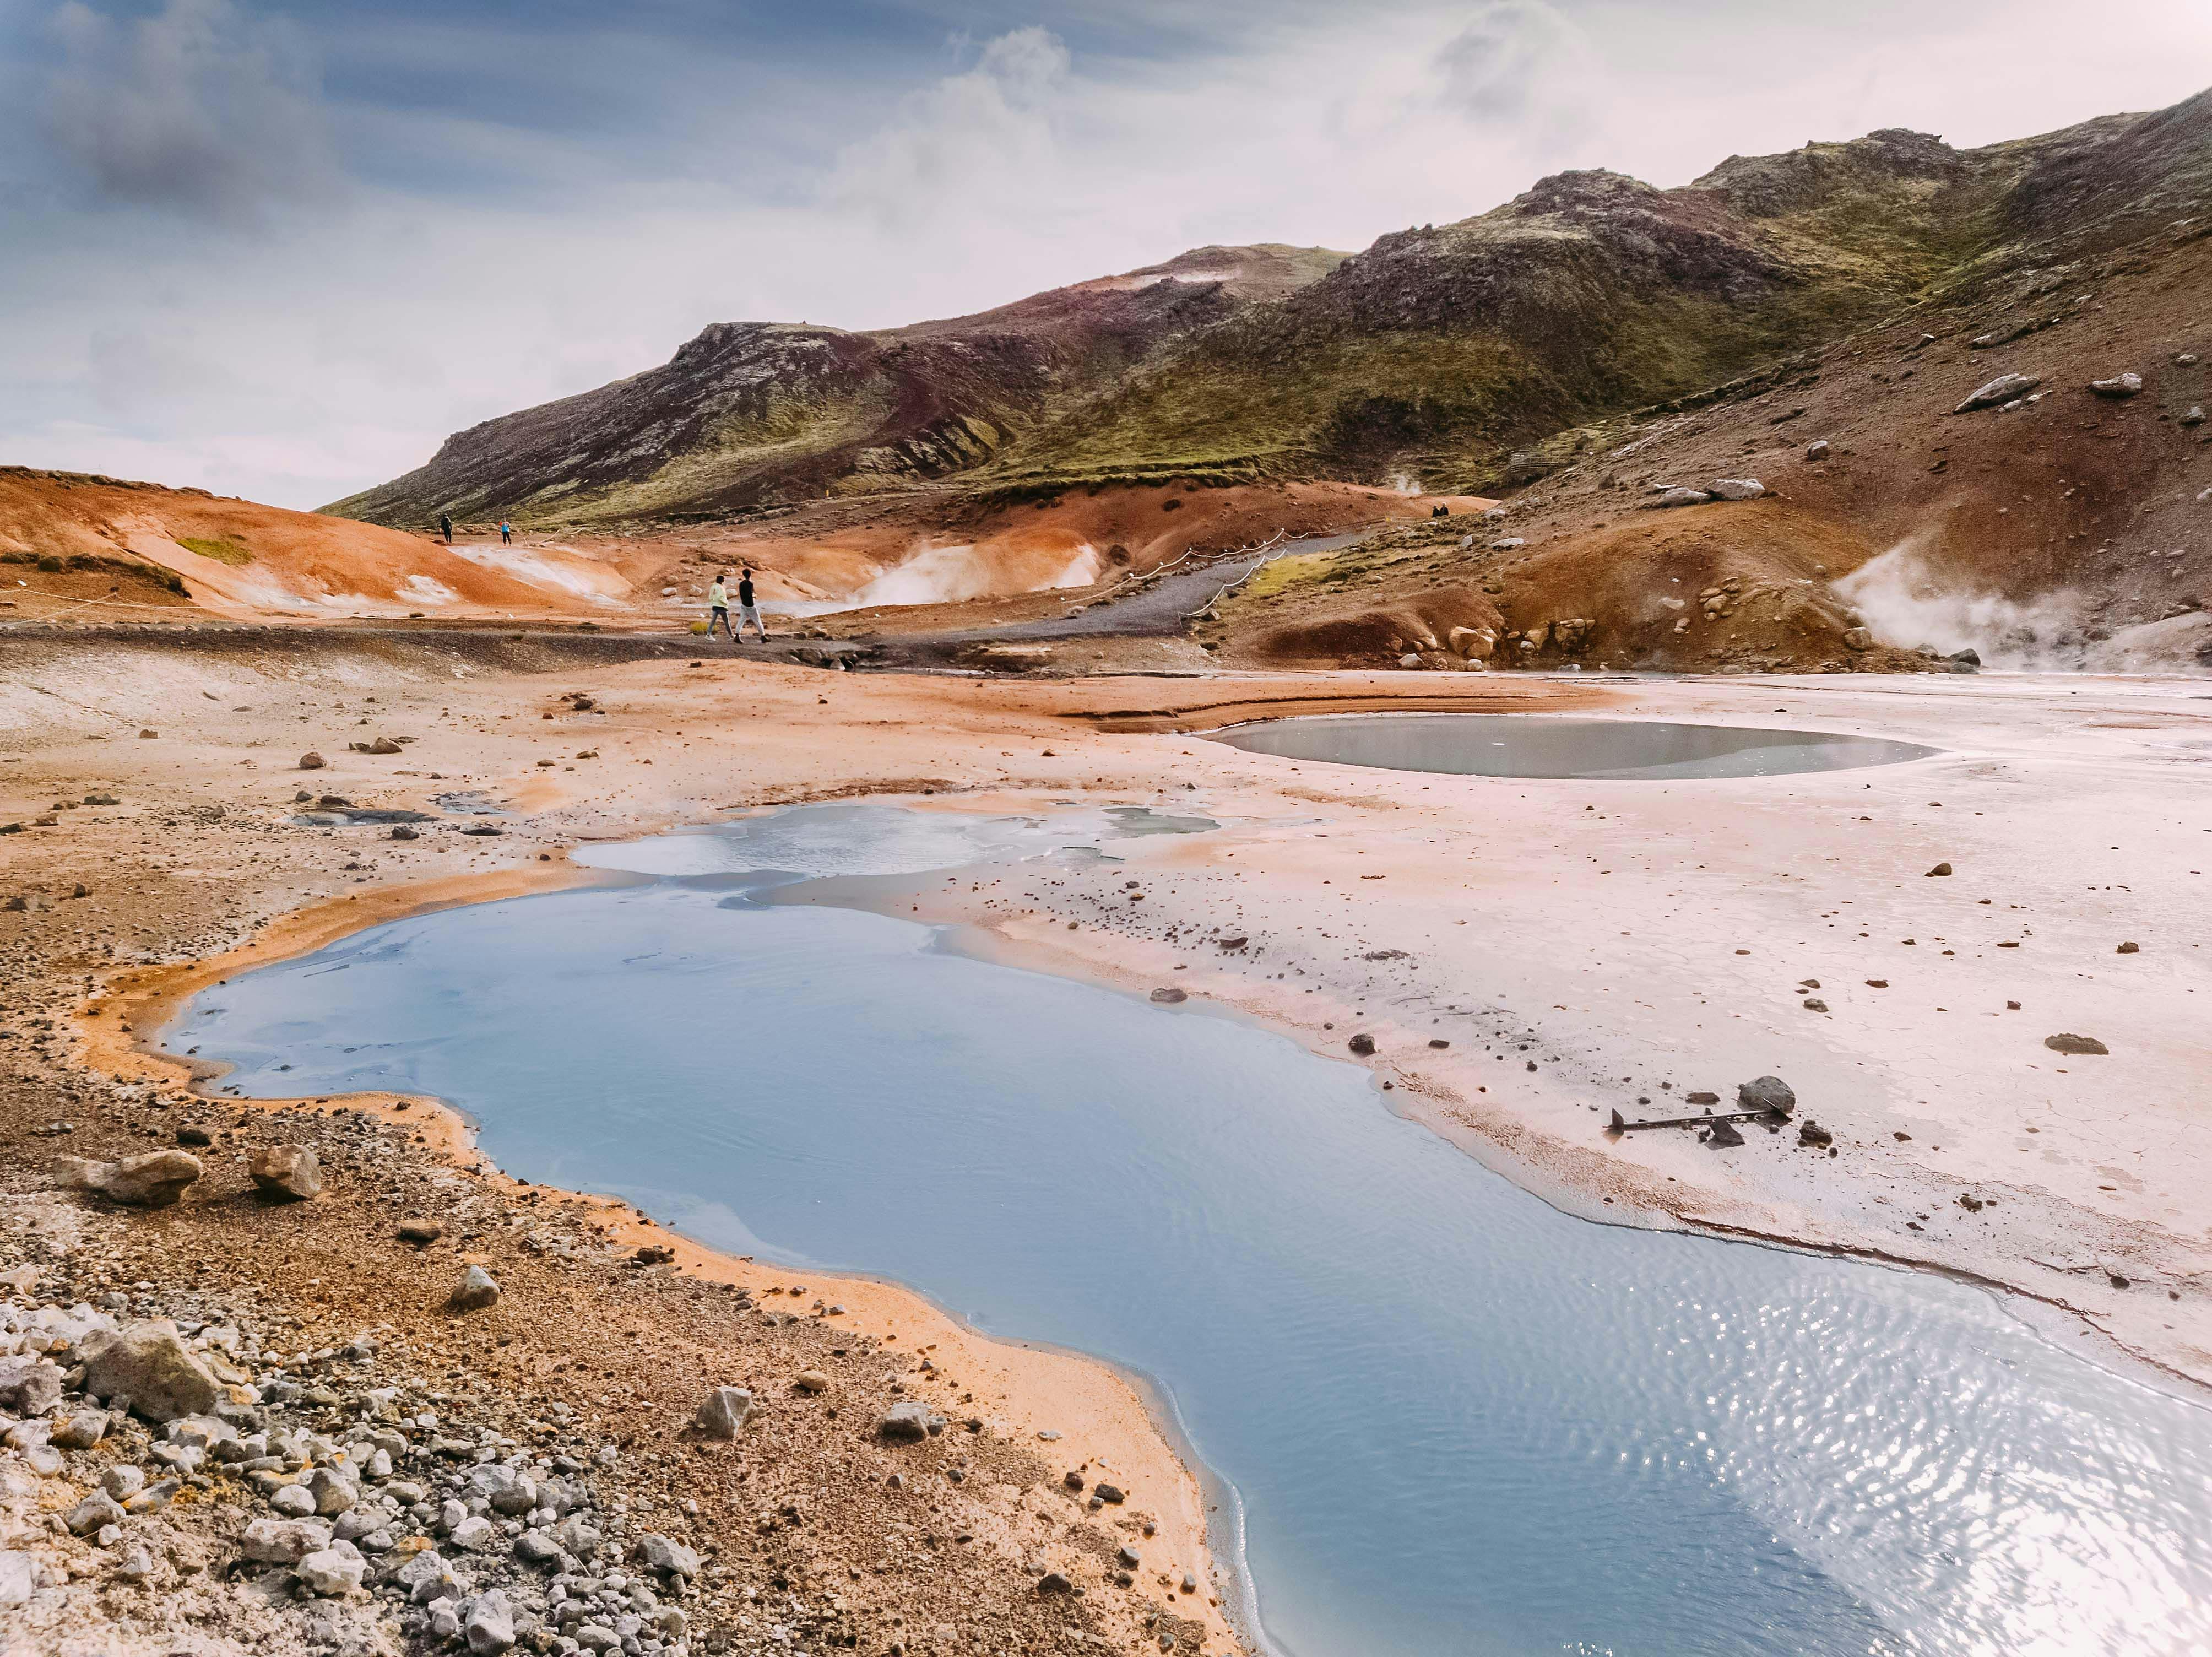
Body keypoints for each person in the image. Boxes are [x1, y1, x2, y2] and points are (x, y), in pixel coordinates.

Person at [736, 567, 769, 642]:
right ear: (750, 575)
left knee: (741, 621)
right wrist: (755, 596)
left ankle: (737, 636)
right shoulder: (750, 584)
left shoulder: (741, 583)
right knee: (758, 621)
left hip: (743, 605)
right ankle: (763, 637)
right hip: (751, 606)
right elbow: (751, 594)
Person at [706, 572, 735, 641]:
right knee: (726, 622)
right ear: (722, 580)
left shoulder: (713, 586)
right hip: (722, 607)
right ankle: (731, 636)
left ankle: (708, 635)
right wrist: (726, 603)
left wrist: (714, 601)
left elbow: (710, 597)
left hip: (715, 606)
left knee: (713, 621)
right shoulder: (720, 587)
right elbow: (720, 597)